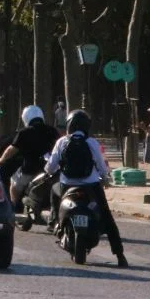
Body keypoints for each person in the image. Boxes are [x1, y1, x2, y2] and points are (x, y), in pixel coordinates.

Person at [44, 109, 128, 268]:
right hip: (91, 186)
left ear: (69, 125)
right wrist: (105, 178)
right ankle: (120, 255)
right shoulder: (92, 143)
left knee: (54, 193)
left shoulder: (61, 142)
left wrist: (49, 172)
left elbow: (51, 167)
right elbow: (101, 166)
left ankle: (55, 222)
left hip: (67, 185)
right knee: (107, 218)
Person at [0, 105, 59, 207]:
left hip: (29, 170)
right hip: (49, 170)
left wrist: (1, 159)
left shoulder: (25, 132)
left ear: (26, 117)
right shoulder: (52, 130)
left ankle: (14, 207)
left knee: (14, 184)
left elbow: (12, 149)